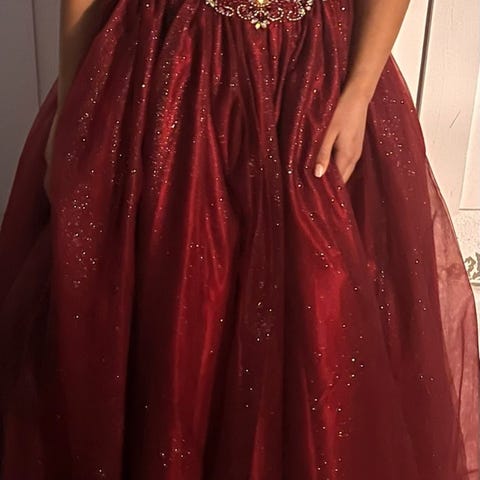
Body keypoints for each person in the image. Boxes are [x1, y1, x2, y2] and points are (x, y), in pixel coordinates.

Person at [0, 0, 479, 478]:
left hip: (311, 86)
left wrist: (359, 92)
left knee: (323, 318)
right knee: (172, 314)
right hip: (165, 82)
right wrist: (72, 109)